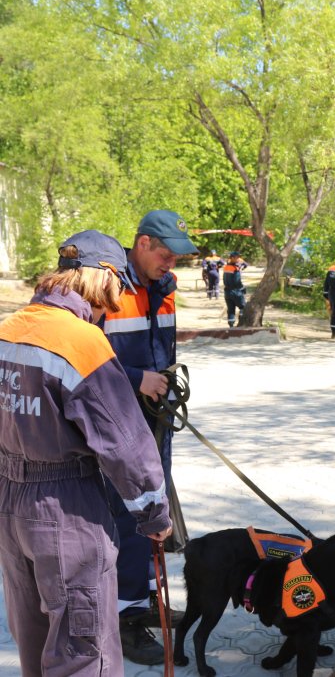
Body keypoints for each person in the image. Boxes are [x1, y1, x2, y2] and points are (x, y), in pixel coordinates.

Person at [0, 230, 172, 676]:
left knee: (35, 641)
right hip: (67, 509)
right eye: (109, 300)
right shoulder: (81, 342)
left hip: (9, 509)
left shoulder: (8, 329)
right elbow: (126, 443)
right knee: (83, 651)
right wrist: (154, 515)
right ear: (104, 279)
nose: (106, 312)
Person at [101, 209, 197, 664]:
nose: (170, 263)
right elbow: (82, 358)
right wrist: (138, 377)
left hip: (155, 419)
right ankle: (125, 616)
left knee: (155, 510)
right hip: (118, 421)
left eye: (176, 257)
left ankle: (148, 601)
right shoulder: (108, 288)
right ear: (141, 243)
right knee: (129, 516)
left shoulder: (163, 289)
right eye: (164, 254)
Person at [223, 251, 248, 328]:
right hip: (236, 292)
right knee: (243, 307)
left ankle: (231, 326)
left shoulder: (226, 267)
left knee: (231, 310)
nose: (238, 259)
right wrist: (242, 288)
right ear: (232, 258)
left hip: (227, 292)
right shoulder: (235, 268)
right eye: (237, 257)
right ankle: (241, 324)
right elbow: (237, 281)